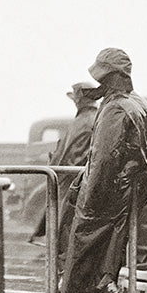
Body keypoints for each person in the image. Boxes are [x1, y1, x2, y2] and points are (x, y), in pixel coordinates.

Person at [33, 47, 147, 293]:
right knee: (105, 253)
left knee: (83, 244)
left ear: (111, 77)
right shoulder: (139, 103)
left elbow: (102, 158)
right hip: (126, 190)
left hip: (105, 191)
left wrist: (86, 195)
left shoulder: (114, 108)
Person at [29, 80, 105, 255]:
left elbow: (72, 157)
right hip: (73, 183)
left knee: (67, 237)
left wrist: (57, 168)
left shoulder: (85, 121)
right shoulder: (90, 119)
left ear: (79, 98)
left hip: (72, 184)